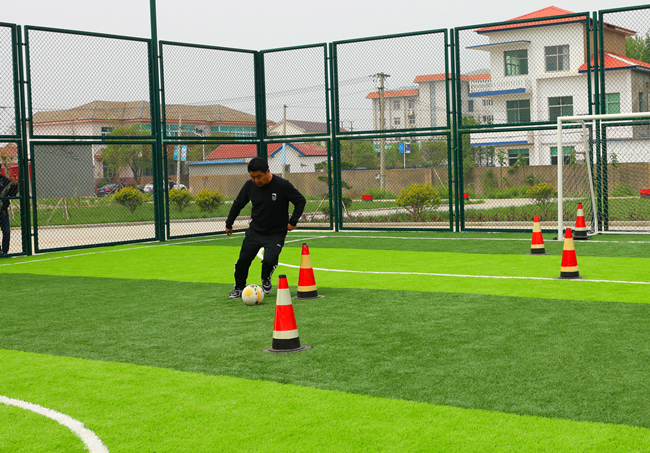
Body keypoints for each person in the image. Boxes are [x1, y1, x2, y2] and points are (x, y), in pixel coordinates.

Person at [225, 157, 306, 299]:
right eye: (252, 177)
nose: (256, 180)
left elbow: (300, 200)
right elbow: (238, 204)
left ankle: (266, 277)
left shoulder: (282, 185)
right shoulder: (249, 186)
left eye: (258, 176)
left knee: (269, 260)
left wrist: (293, 221)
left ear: (268, 171)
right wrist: (229, 223)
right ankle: (238, 288)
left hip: (276, 233)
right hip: (255, 231)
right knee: (243, 260)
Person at [0, 171, 19, 256]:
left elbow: (12, 194)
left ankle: (4, 252)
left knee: (7, 232)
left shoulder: (4, 180)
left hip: (2, 211)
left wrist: (14, 185)